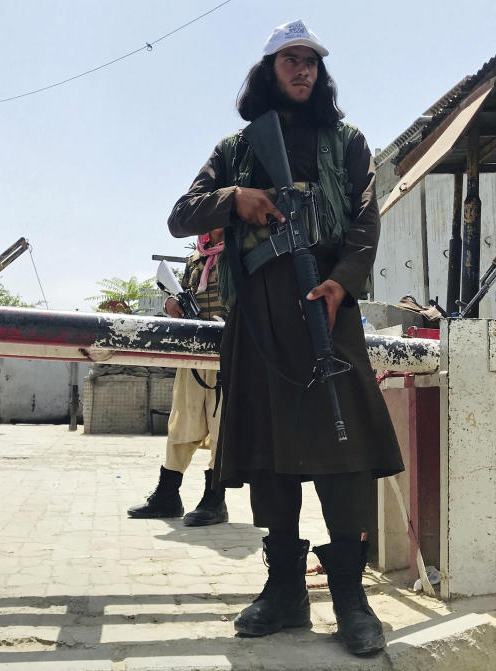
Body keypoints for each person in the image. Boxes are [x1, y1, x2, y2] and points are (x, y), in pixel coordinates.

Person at [167, 20, 403, 656]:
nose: (303, 70)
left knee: (344, 454)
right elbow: (180, 214)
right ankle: (284, 590)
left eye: (311, 62)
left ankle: (351, 598)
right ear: (268, 71)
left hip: (327, 306)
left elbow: (363, 222)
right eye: (290, 61)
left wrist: (341, 284)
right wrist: (236, 197)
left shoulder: (348, 142)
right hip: (260, 315)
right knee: (270, 458)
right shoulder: (237, 149)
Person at [128, 229, 229, 526]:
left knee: (223, 424)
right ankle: (168, 494)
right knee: (182, 419)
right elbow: (181, 295)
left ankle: (216, 499)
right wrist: (173, 304)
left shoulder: (239, 251)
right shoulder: (195, 259)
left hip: (228, 350)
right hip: (193, 347)